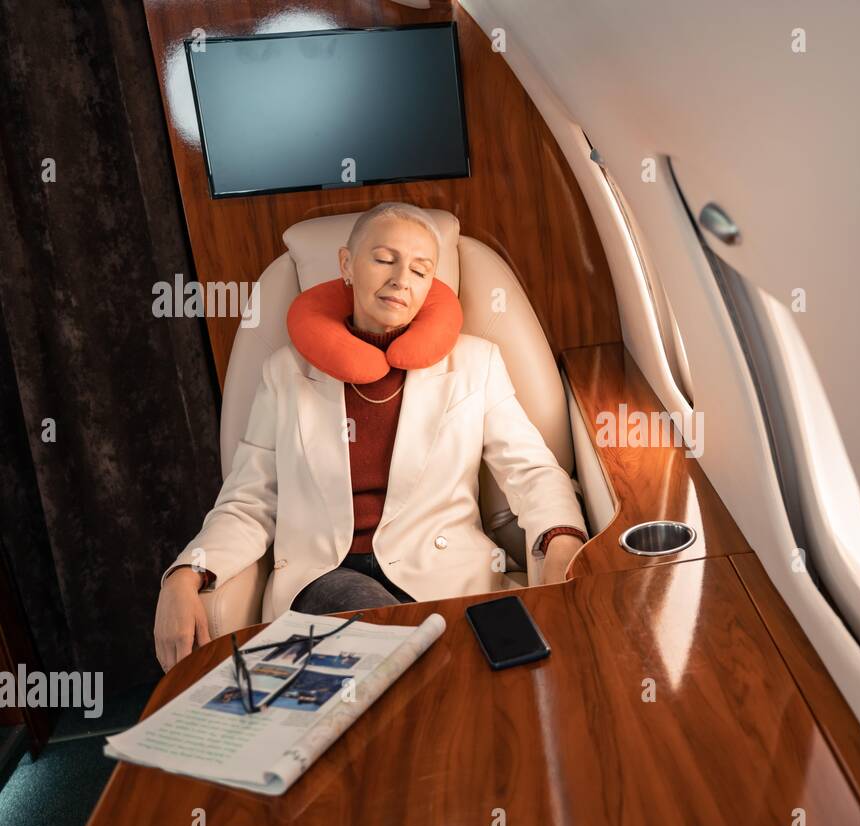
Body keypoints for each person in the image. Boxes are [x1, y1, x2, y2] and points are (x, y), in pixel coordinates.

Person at [154, 203, 587, 671]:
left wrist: (560, 537)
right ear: (346, 264)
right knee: (397, 645)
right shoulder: (285, 373)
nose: (403, 278)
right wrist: (184, 574)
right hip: (326, 578)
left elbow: (531, 469)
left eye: (421, 269)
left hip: (439, 575)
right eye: (384, 259)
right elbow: (248, 500)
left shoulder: (474, 364)